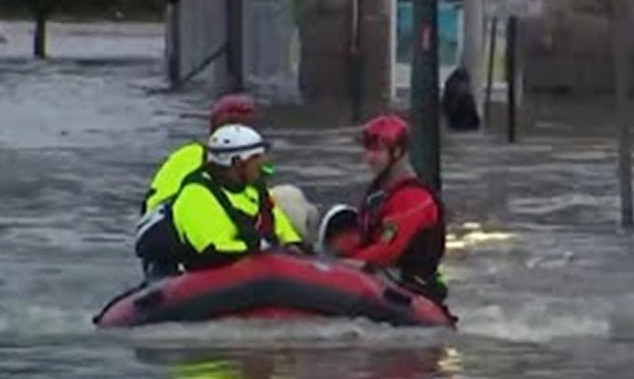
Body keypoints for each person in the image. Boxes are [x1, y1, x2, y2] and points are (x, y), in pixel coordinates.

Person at [135, 94, 260, 278]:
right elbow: (171, 204)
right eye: (232, 124)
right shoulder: (191, 163)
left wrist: (290, 244)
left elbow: (267, 208)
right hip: (186, 241)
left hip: (237, 240)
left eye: (245, 125)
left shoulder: (252, 173)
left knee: (288, 198)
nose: (238, 130)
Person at [337, 114, 449, 303]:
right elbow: (366, 240)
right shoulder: (379, 193)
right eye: (368, 150)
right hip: (380, 282)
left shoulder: (414, 198)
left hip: (411, 290)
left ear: (396, 152)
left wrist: (339, 266)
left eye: (377, 151)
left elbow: (387, 251)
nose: (369, 158)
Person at [167, 124, 307, 271]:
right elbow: (214, 250)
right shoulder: (195, 195)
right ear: (237, 163)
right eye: (256, 158)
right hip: (214, 274)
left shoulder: (254, 188)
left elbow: (277, 223)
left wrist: (292, 244)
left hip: (261, 265)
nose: (262, 163)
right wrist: (262, 247)